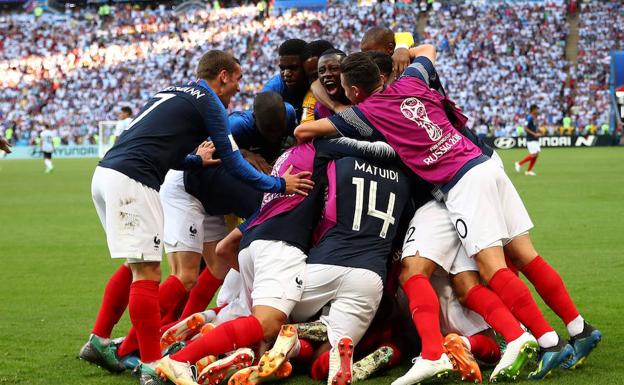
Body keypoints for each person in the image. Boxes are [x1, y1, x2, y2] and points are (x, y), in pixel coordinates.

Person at [295, 49, 599, 383]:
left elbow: (304, 132)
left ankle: (540, 341)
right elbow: (427, 51)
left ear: (354, 91)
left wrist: (323, 99)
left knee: (485, 267)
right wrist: (405, 53)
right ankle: (578, 328)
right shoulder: (411, 78)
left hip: (460, 183)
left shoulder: (367, 113)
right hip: (485, 163)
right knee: (524, 256)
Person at [79, 50, 313, 384]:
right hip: (134, 181)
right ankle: (151, 365)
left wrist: (194, 162)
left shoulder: (171, 92)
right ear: (222, 75)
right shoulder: (210, 102)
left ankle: (100, 340)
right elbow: (233, 164)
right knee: (147, 272)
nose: (236, 88)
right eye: (236, 79)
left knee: (135, 264)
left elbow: (163, 148)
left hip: (105, 174)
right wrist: (279, 183)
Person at [262, 39, 309, 122]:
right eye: (282, 68)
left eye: (293, 68)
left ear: (306, 65)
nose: (286, 73)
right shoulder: (273, 89)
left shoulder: (319, 82)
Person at [515, 104, 542, 176]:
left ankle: (528, 171)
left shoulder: (534, 118)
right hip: (530, 138)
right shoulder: (529, 117)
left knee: (536, 154)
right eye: (537, 109)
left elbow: (533, 127)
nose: (538, 110)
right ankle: (519, 163)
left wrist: (538, 131)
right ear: (533, 110)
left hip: (534, 138)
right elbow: (525, 128)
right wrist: (534, 134)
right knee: (534, 154)